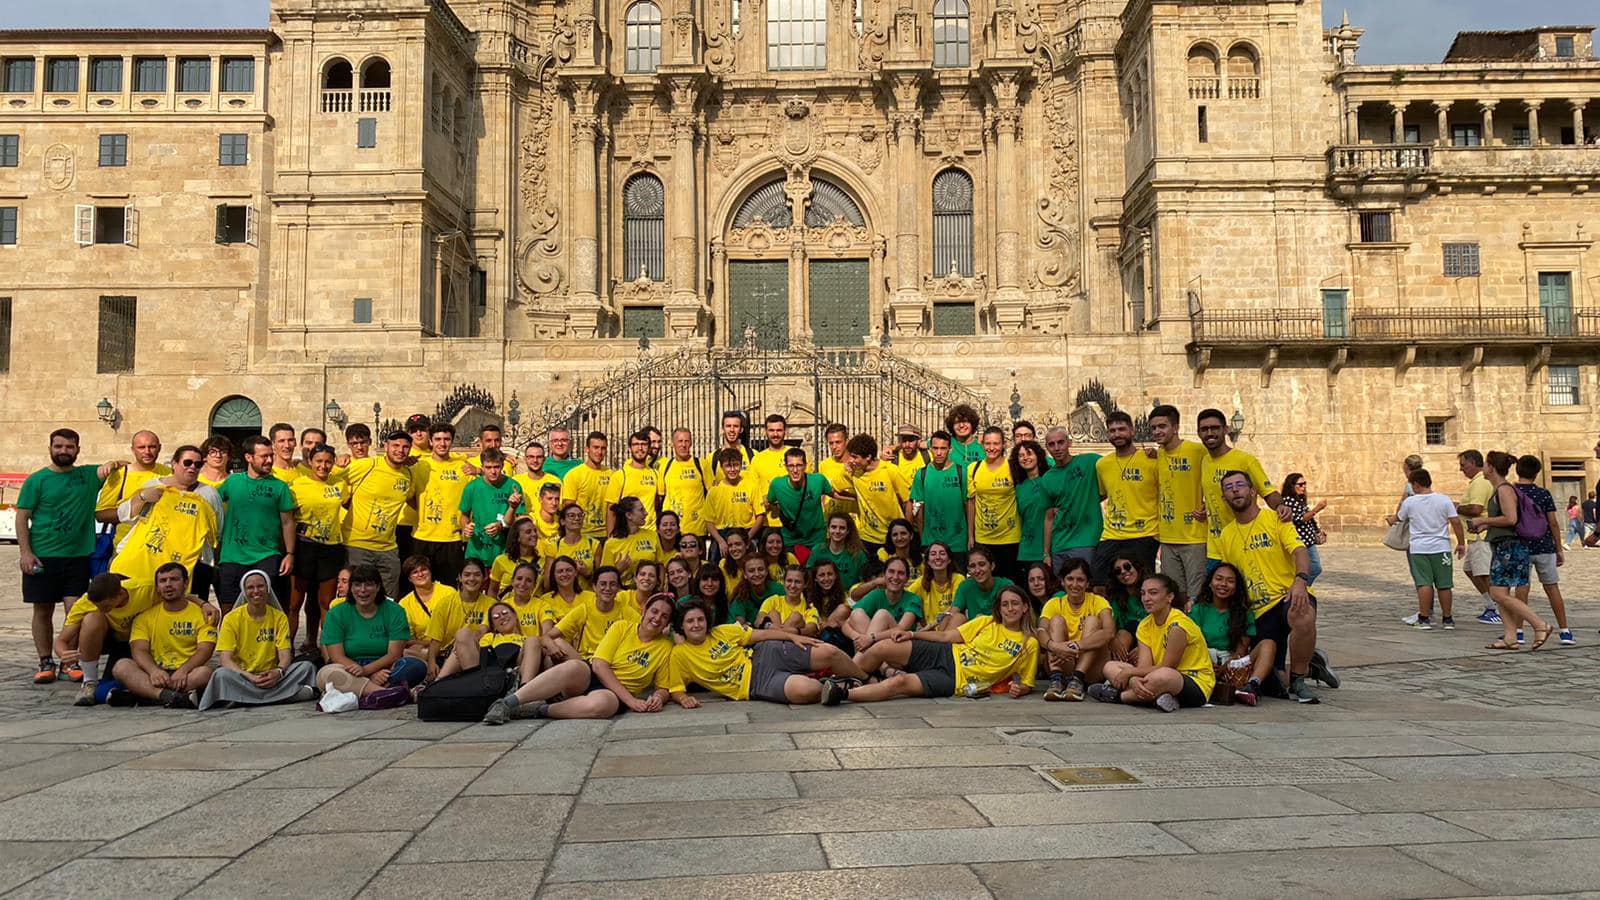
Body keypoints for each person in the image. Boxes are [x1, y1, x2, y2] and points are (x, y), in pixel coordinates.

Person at [1214, 470, 1334, 702]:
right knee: (1275, 682)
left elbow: (1299, 551)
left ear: (1253, 491)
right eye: (1228, 488)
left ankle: (1299, 679)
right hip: (1258, 612)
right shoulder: (1226, 535)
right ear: (1224, 497)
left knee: (1301, 613)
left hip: (1286, 595)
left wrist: (1300, 580)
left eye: (1240, 485)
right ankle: (1312, 668)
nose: (1235, 490)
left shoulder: (1276, 519)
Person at [19, 429, 124, 684]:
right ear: (50, 448)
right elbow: (22, 516)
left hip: (78, 556)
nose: (63, 451)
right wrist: (26, 552)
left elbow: (113, 468)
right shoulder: (37, 480)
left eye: (69, 447)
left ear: (78, 449)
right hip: (43, 554)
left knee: (74, 610)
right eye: (59, 446)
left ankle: (70, 660)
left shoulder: (87, 475)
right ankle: (46, 660)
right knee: (42, 610)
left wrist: (117, 463)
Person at [819, 584, 1039, 705]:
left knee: (901, 683)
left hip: (956, 681)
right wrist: (912, 636)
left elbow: (1028, 682)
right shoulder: (986, 621)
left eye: (1015, 604)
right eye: (1005, 604)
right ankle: (851, 676)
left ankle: (841, 694)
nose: (1010, 609)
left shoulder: (1029, 643)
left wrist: (1021, 689)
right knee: (883, 646)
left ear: (1025, 607)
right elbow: (946, 637)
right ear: (999, 608)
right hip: (945, 652)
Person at [482, 593, 683, 722]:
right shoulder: (622, 627)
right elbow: (599, 665)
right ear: (644, 610)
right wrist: (631, 701)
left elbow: (663, 686)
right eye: (654, 611)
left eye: (664, 616)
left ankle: (538, 710)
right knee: (575, 667)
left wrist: (658, 698)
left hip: (614, 695)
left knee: (603, 706)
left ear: (668, 622)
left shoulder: (666, 647)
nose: (657, 618)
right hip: (593, 677)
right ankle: (507, 703)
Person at [57, 568, 217, 705]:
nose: (103, 609)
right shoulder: (87, 602)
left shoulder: (144, 589)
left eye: (106, 606)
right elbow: (61, 640)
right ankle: (89, 682)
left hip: (142, 643)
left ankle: (147, 696)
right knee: (93, 619)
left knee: (205, 673)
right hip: (112, 640)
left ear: (119, 594)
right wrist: (63, 653)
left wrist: (203, 603)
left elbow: (176, 594)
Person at [667, 599, 870, 705]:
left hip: (764, 652)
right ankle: (839, 684)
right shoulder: (680, 654)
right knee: (809, 691)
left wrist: (793, 637)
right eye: (690, 621)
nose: (696, 625)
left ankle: (866, 678)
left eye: (700, 619)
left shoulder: (721, 631)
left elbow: (761, 636)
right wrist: (683, 699)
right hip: (756, 684)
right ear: (681, 626)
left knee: (829, 653)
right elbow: (675, 688)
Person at [1466, 452, 1555, 651]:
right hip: (1504, 544)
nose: (1485, 468)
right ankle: (1510, 637)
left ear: (1491, 468)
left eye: (1487, 465)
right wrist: (1486, 527)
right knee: (1501, 592)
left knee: (1498, 593)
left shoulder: (1505, 489)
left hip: (1511, 547)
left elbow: (1511, 519)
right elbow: (1505, 521)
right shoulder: (1500, 489)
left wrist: (1483, 520)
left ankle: (1540, 624)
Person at [1088, 574, 1214, 713]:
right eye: (1143, 593)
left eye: (1153, 593)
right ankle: (1160, 698)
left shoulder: (1178, 626)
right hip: (1154, 676)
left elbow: (1168, 667)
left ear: (1169, 597)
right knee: (1110, 666)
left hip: (1191, 681)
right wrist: (1134, 680)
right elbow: (1144, 666)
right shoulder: (1144, 624)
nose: (1146, 599)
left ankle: (1118, 696)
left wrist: (1130, 673)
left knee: (1164, 675)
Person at [199, 570, 317, 710]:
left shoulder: (279, 617)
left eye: (260, 586)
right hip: (243, 676)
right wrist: (250, 677)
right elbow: (225, 660)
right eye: (250, 587)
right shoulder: (231, 619)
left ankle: (240, 698)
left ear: (268, 589)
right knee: (221, 674)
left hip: (272, 677)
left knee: (306, 667)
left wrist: (278, 672)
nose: (256, 591)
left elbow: (285, 655)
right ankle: (285, 696)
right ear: (244, 591)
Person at [110, 446, 222, 591]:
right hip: (144, 562)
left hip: (189, 567)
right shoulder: (155, 486)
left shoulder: (208, 494)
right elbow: (123, 515)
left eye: (198, 464)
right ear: (174, 464)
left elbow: (216, 530)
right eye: (187, 463)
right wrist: (142, 497)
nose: (192, 467)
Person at [109, 562, 217, 709]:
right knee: (121, 667)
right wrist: (154, 671)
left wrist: (183, 671)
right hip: (155, 674)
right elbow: (139, 650)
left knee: (207, 673)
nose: (168, 584)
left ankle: (145, 696)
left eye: (174, 579)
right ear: (157, 588)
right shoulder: (145, 617)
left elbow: (205, 650)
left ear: (185, 583)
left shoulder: (204, 614)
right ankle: (171, 697)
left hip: (188, 673)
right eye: (163, 581)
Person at [316, 564, 425, 699]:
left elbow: (394, 654)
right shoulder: (336, 613)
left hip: (386, 667)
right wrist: (365, 674)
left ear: (378, 587)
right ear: (351, 588)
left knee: (416, 666)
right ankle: (391, 693)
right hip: (348, 667)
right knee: (326, 674)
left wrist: (367, 670)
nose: (362, 590)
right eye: (357, 585)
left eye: (368, 585)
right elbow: (336, 656)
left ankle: (364, 690)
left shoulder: (395, 611)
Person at [1197, 408, 1282, 565]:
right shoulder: (1204, 461)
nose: (1209, 433)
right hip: (1215, 548)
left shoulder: (1245, 460)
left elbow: (1268, 493)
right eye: (1204, 429)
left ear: (1226, 430)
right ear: (1199, 433)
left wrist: (1282, 508)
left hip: (1244, 543)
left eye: (1215, 428)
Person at [341, 430, 420, 596]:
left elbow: (414, 500)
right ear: (386, 446)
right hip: (358, 545)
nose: (400, 450)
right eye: (396, 445)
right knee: (359, 598)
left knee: (388, 600)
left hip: (388, 549)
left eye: (405, 447)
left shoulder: (408, 474)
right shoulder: (368, 465)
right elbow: (334, 479)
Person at [1188, 563, 1275, 706]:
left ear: (1236, 587)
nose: (1223, 584)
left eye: (1230, 581)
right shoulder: (1198, 610)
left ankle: (1251, 686)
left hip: (1232, 663)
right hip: (1203, 659)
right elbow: (1193, 643)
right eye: (1219, 579)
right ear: (1210, 583)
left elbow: (1240, 651)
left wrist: (1226, 666)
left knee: (1268, 644)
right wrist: (1208, 663)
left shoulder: (1244, 613)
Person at [1389, 468, 1465, 630]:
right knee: (1444, 584)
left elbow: (1399, 518)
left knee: (1424, 583)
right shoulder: (1444, 500)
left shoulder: (1410, 502)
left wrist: (1390, 519)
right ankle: (1447, 619)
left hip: (1419, 548)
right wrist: (1461, 542)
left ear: (1416, 485)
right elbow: (1456, 522)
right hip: (1441, 547)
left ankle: (1424, 618)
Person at [1093, 411, 1159, 590]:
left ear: (1132, 430)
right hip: (1112, 534)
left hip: (1144, 533)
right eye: (1112, 430)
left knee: (1142, 586)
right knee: (1099, 582)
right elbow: (1102, 494)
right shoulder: (1102, 465)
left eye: (1121, 429)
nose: (1117, 434)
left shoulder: (1152, 460)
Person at [289, 444, 345, 652]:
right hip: (304, 548)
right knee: (294, 604)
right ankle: (287, 649)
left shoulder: (340, 484)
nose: (323, 466)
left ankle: (328, 651)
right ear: (310, 462)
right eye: (319, 461)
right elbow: (288, 518)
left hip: (330, 548)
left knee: (326, 603)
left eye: (328, 462)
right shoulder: (297, 485)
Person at [1148, 405, 1208, 601]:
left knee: (1196, 595)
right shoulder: (1158, 455)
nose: (1157, 431)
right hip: (1167, 539)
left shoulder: (1197, 450)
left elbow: (1218, 474)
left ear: (1175, 427)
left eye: (1162, 426)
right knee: (1174, 595)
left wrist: (1209, 505)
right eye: (1154, 428)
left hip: (1194, 537)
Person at [1511, 455, 1571, 645]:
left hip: (1520, 546)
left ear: (1517, 470)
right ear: (1537, 473)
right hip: (1544, 546)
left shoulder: (1510, 492)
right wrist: (1558, 548)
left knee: (1522, 588)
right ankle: (1565, 630)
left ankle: (1519, 631)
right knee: (1552, 587)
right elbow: (1552, 522)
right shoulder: (1543, 494)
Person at [1039, 558, 1114, 702]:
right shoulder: (1054, 603)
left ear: (1087, 583)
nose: (1074, 584)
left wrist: (1078, 646)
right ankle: (1057, 679)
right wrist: (1056, 646)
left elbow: (1109, 632)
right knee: (1056, 621)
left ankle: (1077, 679)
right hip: (1063, 662)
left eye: (1080, 580)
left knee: (1092, 620)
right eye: (1070, 579)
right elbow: (1041, 630)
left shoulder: (1098, 601)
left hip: (1091, 669)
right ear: (1062, 581)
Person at [546, 567, 640, 680]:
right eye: (603, 584)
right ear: (594, 587)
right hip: (586, 664)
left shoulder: (626, 611)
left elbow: (645, 630)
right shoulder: (585, 609)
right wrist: (550, 645)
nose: (607, 588)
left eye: (613, 584)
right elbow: (547, 636)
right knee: (557, 644)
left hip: (612, 666)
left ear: (618, 588)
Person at [94, 430, 169, 568]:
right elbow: (100, 514)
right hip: (126, 548)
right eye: (141, 447)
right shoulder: (120, 475)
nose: (147, 451)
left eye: (152, 447)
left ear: (159, 448)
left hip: (160, 549)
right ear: (133, 450)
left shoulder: (169, 473)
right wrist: (135, 509)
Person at [411, 422, 471, 587]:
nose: (442, 443)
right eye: (437, 439)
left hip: (452, 538)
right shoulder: (419, 465)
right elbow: (408, 495)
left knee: (449, 589)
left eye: (446, 439)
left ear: (452, 441)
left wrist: (478, 470)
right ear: (430, 441)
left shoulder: (463, 467)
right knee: (420, 586)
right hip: (423, 536)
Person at [1041, 426, 1101, 577]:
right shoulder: (1047, 478)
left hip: (1086, 541)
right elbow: (1048, 517)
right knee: (1063, 591)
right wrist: (1046, 553)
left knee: (1086, 588)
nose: (1056, 448)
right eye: (1051, 444)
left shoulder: (1090, 462)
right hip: (1059, 544)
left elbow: (1116, 466)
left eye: (1060, 442)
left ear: (1069, 443)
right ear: (1047, 447)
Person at [965, 427, 1020, 581]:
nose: (991, 448)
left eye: (996, 443)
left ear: (1004, 444)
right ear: (982, 444)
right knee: (984, 583)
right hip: (983, 538)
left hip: (1010, 537)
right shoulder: (973, 469)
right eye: (988, 443)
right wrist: (971, 535)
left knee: (1008, 583)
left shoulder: (1013, 468)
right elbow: (971, 503)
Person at [458, 448, 527, 570]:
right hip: (476, 551)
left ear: (502, 466)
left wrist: (501, 526)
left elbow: (519, 519)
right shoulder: (471, 487)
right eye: (488, 467)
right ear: (482, 467)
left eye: (496, 467)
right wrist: (466, 527)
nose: (493, 471)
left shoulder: (513, 486)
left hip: (504, 550)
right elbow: (464, 515)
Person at [837, 556, 923, 652]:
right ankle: (883, 666)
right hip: (877, 649)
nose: (895, 577)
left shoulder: (913, 599)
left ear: (907, 579)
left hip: (902, 647)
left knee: (882, 615)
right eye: (891, 571)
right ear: (884, 575)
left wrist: (871, 638)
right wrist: (859, 637)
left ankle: (866, 664)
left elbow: (901, 629)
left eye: (901, 573)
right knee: (857, 613)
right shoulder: (877, 594)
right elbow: (846, 624)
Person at [911, 431, 969, 572]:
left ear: (950, 449)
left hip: (958, 542)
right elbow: (918, 507)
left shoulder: (962, 472)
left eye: (943, 448)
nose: (938, 453)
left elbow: (968, 505)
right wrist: (923, 536)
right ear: (930, 449)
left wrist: (970, 536)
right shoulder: (921, 474)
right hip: (931, 542)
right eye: (935, 448)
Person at [847, 433, 911, 560]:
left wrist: (907, 529)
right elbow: (832, 490)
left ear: (868, 457)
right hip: (867, 538)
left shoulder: (890, 470)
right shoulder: (853, 473)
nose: (851, 460)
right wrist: (855, 498)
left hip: (892, 537)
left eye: (855, 457)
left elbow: (908, 500)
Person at [424, 558, 499, 665]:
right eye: (467, 575)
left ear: (484, 577)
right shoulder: (445, 603)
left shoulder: (491, 604)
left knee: (463, 636)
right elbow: (435, 640)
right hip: (447, 655)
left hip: (477, 653)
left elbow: (482, 631)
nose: (472, 579)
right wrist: (431, 664)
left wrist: (463, 643)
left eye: (477, 575)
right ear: (459, 577)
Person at [1455, 449, 1501, 625]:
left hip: (1481, 535)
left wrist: (1457, 507)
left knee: (1483, 573)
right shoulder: (1476, 482)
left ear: (1473, 463)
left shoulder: (1480, 482)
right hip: (1474, 537)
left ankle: (1497, 606)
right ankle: (1490, 604)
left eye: (1463, 465)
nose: (1461, 469)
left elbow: (1475, 509)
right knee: (1470, 570)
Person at [433, 601, 528, 683]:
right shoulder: (490, 637)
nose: (502, 617)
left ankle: (524, 687)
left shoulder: (528, 639)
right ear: (494, 626)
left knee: (532, 643)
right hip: (488, 670)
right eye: (496, 617)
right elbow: (482, 656)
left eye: (505, 613)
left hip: (515, 667)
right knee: (462, 637)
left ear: (515, 615)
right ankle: (437, 684)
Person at [767, 447, 832, 557]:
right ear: (786, 467)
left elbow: (835, 493)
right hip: (791, 540)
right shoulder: (777, 484)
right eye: (791, 466)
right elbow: (770, 501)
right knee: (793, 573)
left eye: (799, 465)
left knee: (818, 572)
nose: (795, 470)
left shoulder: (818, 480)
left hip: (817, 538)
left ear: (805, 466)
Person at [397, 556, 460, 669]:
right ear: (409, 578)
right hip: (426, 648)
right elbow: (409, 640)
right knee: (406, 652)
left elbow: (457, 624)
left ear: (430, 571)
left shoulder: (449, 592)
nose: (420, 574)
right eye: (415, 572)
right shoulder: (404, 603)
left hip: (452, 645)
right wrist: (429, 645)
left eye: (423, 570)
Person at [704, 449, 762, 557]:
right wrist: (720, 541)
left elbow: (760, 516)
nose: (732, 469)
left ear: (741, 465)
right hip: (722, 535)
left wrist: (747, 538)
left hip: (746, 533)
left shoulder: (752, 486)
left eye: (735, 465)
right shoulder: (714, 491)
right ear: (721, 467)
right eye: (728, 466)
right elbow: (709, 521)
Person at [941, 547, 1014, 631]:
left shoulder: (1006, 585)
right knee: (958, 617)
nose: (977, 570)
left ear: (992, 566)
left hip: (1000, 631)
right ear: (968, 570)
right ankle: (942, 643)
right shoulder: (965, 586)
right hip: (975, 633)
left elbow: (1012, 615)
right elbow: (953, 612)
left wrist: (984, 620)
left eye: (982, 564)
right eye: (972, 566)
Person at [1012, 439, 1057, 574]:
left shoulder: (1050, 480)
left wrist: (1047, 553)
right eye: (1021, 455)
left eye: (1029, 453)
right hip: (1026, 550)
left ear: (1038, 456)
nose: (1025, 458)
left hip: (1050, 548)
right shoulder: (1018, 486)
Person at [657, 428, 709, 540]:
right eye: (680, 441)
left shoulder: (701, 464)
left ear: (691, 443)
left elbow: (712, 495)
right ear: (672, 444)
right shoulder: (665, 466)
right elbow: (660, 497)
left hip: (697, 529)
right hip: (672, 530)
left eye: (687, 441)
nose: (683, 445)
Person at [561, 431, 614, 540]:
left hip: (605, 534)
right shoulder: (574, 475)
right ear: (587, 449)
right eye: (595, 447)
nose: (599, 452)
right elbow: (568, 507)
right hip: (582, 534)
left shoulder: (612, 475)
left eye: (603, 448)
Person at [606, 429, 662, 532]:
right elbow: (611, 509)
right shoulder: (620, 475)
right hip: (627, 533)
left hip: (650, 533)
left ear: (649, 448)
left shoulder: (655, 474)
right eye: (636, 444)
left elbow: (658, 505)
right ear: (629, 448)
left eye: (644, 444)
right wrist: (610, 536)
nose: (640, 448)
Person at [598, 496, 661, 586]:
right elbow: (603, 577)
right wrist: (618, 570)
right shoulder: (611, 543)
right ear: (629, 515)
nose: (646, 513)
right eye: (641, 510)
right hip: (622, 592)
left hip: (649, 589)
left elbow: (660, 564)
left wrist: (661, 585)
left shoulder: (652, 535)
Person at [1279, 472, 1328, 585]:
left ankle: (1300, 589)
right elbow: (1300, 519)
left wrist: (1317, 530)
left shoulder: (1299, 499)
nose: (1304, 487)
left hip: (1307, 540)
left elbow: (1307, 518)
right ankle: (1301, 588)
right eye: (1300, 484)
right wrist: (1317, 509)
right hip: (1301, 541)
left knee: (1308, 568)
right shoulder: (1288, 500)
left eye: (1304, 484)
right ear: (1292, 486)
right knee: (1315, 568)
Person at [1103, 554, 1151, 660]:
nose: (1123, 572)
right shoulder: (1115, 597)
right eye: (1117, 571)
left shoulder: (1152, 590)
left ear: (1137, 566)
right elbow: (1112, 625)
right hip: (1126, 640)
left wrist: (1144, 648)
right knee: (1123, 633)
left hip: (1152, 638)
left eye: (1127, 566)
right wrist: (1113, 639)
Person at [747, 414, 793, 524]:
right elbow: (752, 491)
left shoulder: (795, 455)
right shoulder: (757, 459)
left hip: (793, 520)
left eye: (779, 430)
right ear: (765, 432)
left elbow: (807, 487)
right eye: (771, 430)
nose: (775, 434)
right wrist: (763, 501)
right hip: (765, 522)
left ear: (785, 431)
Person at [539, 503, 597, 586]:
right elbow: (547, 584)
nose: (577, 518)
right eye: (572, 516)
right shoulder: (553, 547)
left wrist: (587, 573)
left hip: (588, 595)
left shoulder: (594, 544)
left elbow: (601, 579)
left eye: (580, 515)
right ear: (562, 521)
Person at [537, 557, 596, 636]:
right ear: (553, 575)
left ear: (575, 573)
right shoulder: (545, 600)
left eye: (569, 570)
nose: (564, 574)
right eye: (560, 571)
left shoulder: (591, 597)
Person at [808, 513, 869, 588]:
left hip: (848, 597)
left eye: (842, 528)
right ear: (828, 529)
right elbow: (809, 577)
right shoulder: (817, 550)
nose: (837, 531)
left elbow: (865, 582)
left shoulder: (858, 555)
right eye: (833, 527)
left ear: (848, 531)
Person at [756, 565, 820, 635]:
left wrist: (793, 631)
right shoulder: (772, 600)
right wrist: (776, 628)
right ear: (784, 582)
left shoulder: (810, 608)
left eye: (797, 582)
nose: (792, 586)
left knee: (796, 617)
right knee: (773, 614)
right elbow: (758, 621)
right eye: (789, 581)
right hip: (770, 642)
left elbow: (811, 629)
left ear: (805, 584)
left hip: (794, 643)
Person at [914, 542, 964, 628]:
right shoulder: (921, 581)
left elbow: (955, 607)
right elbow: (905, 596)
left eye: (942, 553)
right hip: (930, 632)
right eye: (933, 554)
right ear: (928, 561)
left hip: (950, 629)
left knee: (958, 617)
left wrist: (931, 625)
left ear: (949, 560)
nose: (938, 557)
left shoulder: (958, 579)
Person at [490, 516, 540, 598]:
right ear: (518, 538)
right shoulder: (501, 560)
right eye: (528, 532)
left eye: (535, 531)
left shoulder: (543, 562)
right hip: (507, 608)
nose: (534, 534)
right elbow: (493, 590)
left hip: (533, 609)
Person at [817, 422, 858, 519]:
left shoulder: (857, 464)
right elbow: (823, 495)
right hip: (831, 522)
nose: (834, 447)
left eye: (838, 442)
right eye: (831, 443)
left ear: (846, 441)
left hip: (854, 521)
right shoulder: (824, 465)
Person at [728, 555, 783, 626]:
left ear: (766, 571)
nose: (757, 574)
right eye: (751, 571)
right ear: (745, 574)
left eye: (761, 569)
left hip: (780, 630)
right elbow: (740, 624)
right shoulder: (741, 594)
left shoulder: (779, 590)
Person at [702, 411, 752, 487]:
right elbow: (711, 489)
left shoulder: (753, 455)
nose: (732, 430)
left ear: (741, 429)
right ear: (722, 429)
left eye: (735, 426)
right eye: (728, 426)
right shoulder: (712, 458)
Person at [945, 403, 983, 468]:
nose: (961, 425)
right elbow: (926, 444)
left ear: (972, 424)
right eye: (957, 422)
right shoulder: (946, 442)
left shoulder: (982, 445)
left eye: (965, 421)